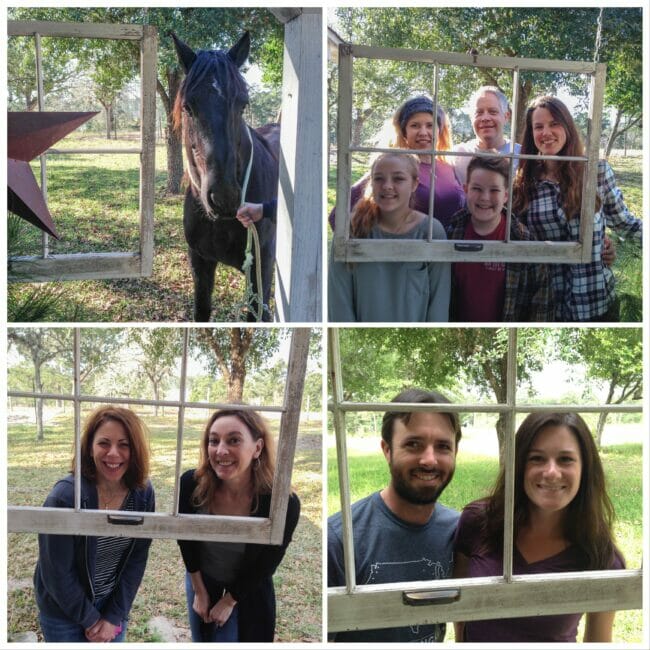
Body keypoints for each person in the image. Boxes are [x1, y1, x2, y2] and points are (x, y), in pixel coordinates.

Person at [454, 411, 625, 642]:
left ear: (585, 469)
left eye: (565, 459)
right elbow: (460, 615)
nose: (551, 472)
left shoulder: (601, 556)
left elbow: (599, 641)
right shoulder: (477, 522)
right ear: (519, 465)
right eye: (537, 458)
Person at [328, 388, 462, 642]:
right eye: (413, 444)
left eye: (443, 446)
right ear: (387, 450)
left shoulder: (458, 530)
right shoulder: (341, 538)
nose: (429, 460)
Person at [513, 95, 642, 321]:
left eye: (554, 123)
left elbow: (625, 223)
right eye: (538, 126)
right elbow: (515, 240)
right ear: (531, 134)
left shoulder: (595, 172)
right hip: (547, 304)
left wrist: (608, 247)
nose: (546, 132)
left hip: (595, 300)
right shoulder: (524, 183)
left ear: (567, 127)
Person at [34, 406, 155, 643]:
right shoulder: (65, 497)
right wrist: (90, 619)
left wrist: (113, 617)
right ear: (89, 448)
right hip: (63, 610)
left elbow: (137, 558)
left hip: (111, 604)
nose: (113, 453)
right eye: (104, 443)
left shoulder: (142, 493)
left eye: (124, 444)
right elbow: (56, 572)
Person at [178, 408, 300, 642]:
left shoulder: (283, 502)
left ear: (257, 448)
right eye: (213, 441)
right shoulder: (190, 484)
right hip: (202, 577)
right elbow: (185, 540)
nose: (220, 450)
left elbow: (269, 560)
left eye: (233, 440)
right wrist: (199, 591)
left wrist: (229, 600)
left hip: (249, 584)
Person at [328, 152, 450, 322]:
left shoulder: (431, 231)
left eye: (398, 179)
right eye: (379, 179)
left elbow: (439, 301)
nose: (387, 186)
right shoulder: (351, 228)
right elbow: (339, 299)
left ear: (414, 184)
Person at [329, 96, 465, 230]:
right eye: (415, 125)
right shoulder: (392, 167)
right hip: (409, 249)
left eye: (430, 125)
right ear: (404, 131)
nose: (423, 132)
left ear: (439, 130)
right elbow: (336, 217)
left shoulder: (448, 166)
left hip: (449, 249)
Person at [446, 156, 553, 321]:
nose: (485, 197)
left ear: (506, 195)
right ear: (465, 190)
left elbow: (541, 305)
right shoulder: (451, 233)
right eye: (477, 189)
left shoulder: (524, 241)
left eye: (494, 190)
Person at [453, 86, 522, 185]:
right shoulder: (456, 155)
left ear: (506, 117)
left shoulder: (521, 155)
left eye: (493, 112)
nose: (485, 118)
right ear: (471, 118)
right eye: (479, 112)